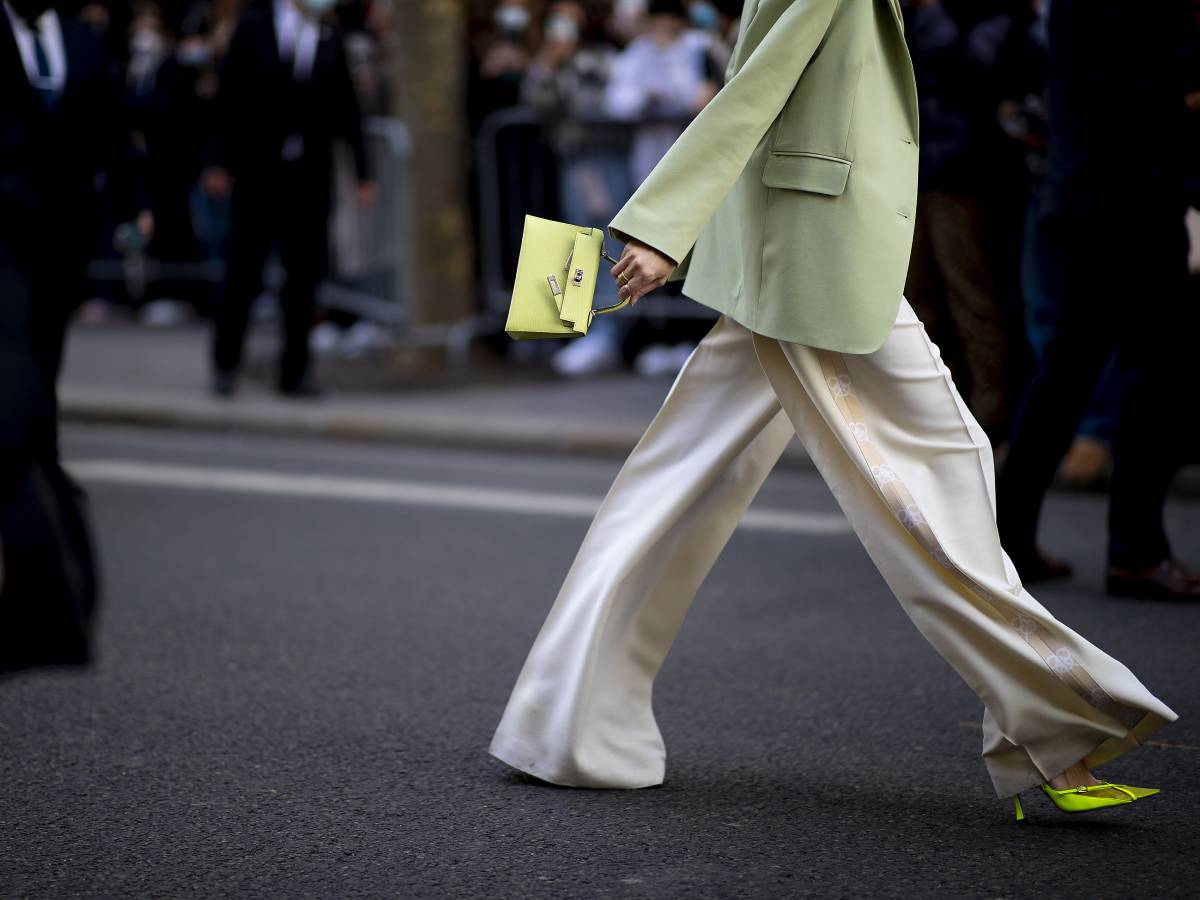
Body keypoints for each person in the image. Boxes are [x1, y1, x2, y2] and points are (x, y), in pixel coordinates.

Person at [490, 0, 1175, 819]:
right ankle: (1057, 736)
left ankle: (560, 724)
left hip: (800, 248)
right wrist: (660, 228)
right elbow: (754, 85)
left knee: (672, 487)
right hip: (815, 257)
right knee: (944, 471)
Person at [996, 0, 1200, 598]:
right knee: (1152, 374)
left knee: (1071, 369)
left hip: (1095, 189)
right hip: (1132, 194)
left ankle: (1008, 537)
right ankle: (1135, 551)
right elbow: (1146, 84)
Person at [204, 0, 375, 398]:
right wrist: (216, 160)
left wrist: (363, 173)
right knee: (244, 273)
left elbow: (348, 110)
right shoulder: (254, 28)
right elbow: (227, 96)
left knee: (303, 280)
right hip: (257, 175)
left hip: (310, 179)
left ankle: (295, 372)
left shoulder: (330, 37)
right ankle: (226, 363)